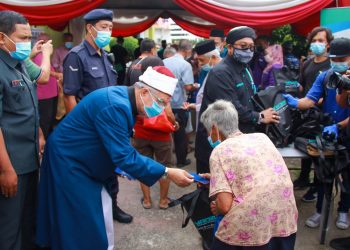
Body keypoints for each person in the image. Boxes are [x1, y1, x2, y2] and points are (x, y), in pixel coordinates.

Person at [35, 66, 194, 250]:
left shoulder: (126, 99)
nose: (161, 109)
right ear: (143, 91)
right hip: (69, 161)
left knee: (91, 215)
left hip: (85, 158)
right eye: (161, 102)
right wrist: (167, 171)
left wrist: (120, 167)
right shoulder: (116, 105)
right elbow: (124, 155)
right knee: (78, 220)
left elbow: (113, 144)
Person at [62, 9, 132, 223]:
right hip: (89, 128)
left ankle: (113, 206)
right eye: (103, 27)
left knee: (110, 166)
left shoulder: (106, 55)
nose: (108, 32)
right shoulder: (76, 56)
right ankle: (92, 213)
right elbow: (69, 96)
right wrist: (80, 130)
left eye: (110, 28)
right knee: (91, 171)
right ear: (90, 28)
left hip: (109, 125)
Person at [201, 100, 297, 250]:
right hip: (284, 219)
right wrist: (215, 181)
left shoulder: (219, 151)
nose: (208, 136)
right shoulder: (262, 138)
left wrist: (217, 207)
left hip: (249, 231)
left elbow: (225, 206)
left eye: (207, 132)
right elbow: (256, 175)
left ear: (214, 129)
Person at [284, 37, 350, 230]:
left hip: (345, 131)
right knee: (323, 173)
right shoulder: (326, 76)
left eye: (343, 59)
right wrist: (296, 102)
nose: (338, 63)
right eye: (334, 59)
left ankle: (344, 210)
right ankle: (320, 210)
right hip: (327, 131)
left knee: (347, 176)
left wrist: (340, 127)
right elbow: (310, 99)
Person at [195, 26, 280, 175]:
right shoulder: (221, 72)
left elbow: (251, 96)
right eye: (243, 46)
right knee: (214, 191)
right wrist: (259, 117)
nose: (248, 51)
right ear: (229, 47)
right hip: (217, 142)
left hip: (238, 140)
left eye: (251, 47)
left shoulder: (245, 68)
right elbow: (232, 109)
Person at [0, 10, 53, 250]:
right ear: (2, 38)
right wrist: (6, 170)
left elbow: (29, 106)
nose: (27, 43)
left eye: (28, 37)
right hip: (11, 165)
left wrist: (40, 134)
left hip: (30, 158)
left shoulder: (19, 62)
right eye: (21, 38)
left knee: (29, 219)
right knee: (10, 228)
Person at [293, 27, 333, 203]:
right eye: (314, 40)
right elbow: (301, 86)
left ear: (328, 44)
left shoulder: (331, 66)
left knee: (319, 152)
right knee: (305, 146)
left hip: (324, 115)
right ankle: (303, 178)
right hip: (306, 113)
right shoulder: (307, 63)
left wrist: (319, 100)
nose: (317, 44)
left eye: (321, 40)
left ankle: (316, 188)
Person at [134, 65, 179, 210]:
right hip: (162, 136)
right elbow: (170, 114)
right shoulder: (161, 93)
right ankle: (163, 201)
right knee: (164, 168)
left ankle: (147, 201)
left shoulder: (140, 94)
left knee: (143, 166)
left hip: (141, 134)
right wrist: (175, 124)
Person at [163, 39, 198, 168]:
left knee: (165, 133)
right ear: (187, 50)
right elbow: (188, 87)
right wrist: (195, 86)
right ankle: (181, 160)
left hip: (164, 104)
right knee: (180, 134)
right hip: (179, 104)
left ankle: (165, 160)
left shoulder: (164, 62)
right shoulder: (185, 65)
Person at [183, 40, 222, 129]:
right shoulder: (212, 70)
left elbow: (219, 103)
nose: (200, 64)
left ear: (213, 57)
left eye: (201, 60)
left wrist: (197, 107)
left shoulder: (221, 73)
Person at [32, 33, 59, 139]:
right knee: (45, 120)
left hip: (52, 92)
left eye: (46, 42)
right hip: (44, 94)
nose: (43, 45)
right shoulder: (39, 55)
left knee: (51, 118)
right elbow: (42, 71)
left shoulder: (46, 55)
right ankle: (43, 142)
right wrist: (57, 74)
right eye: (41, 42)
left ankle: (48, 139)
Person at [51, 32, 73, 122]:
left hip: (73, 77)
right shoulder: (58, 50)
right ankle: (59, 118)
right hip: (61, 77)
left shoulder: (74, 50)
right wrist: (58, 77)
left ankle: (70, 115)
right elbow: (55, 64)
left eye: (71, 40)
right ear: (64, 40)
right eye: (67, 40)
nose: (69, 42)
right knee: (61, 99)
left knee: (71, 96)